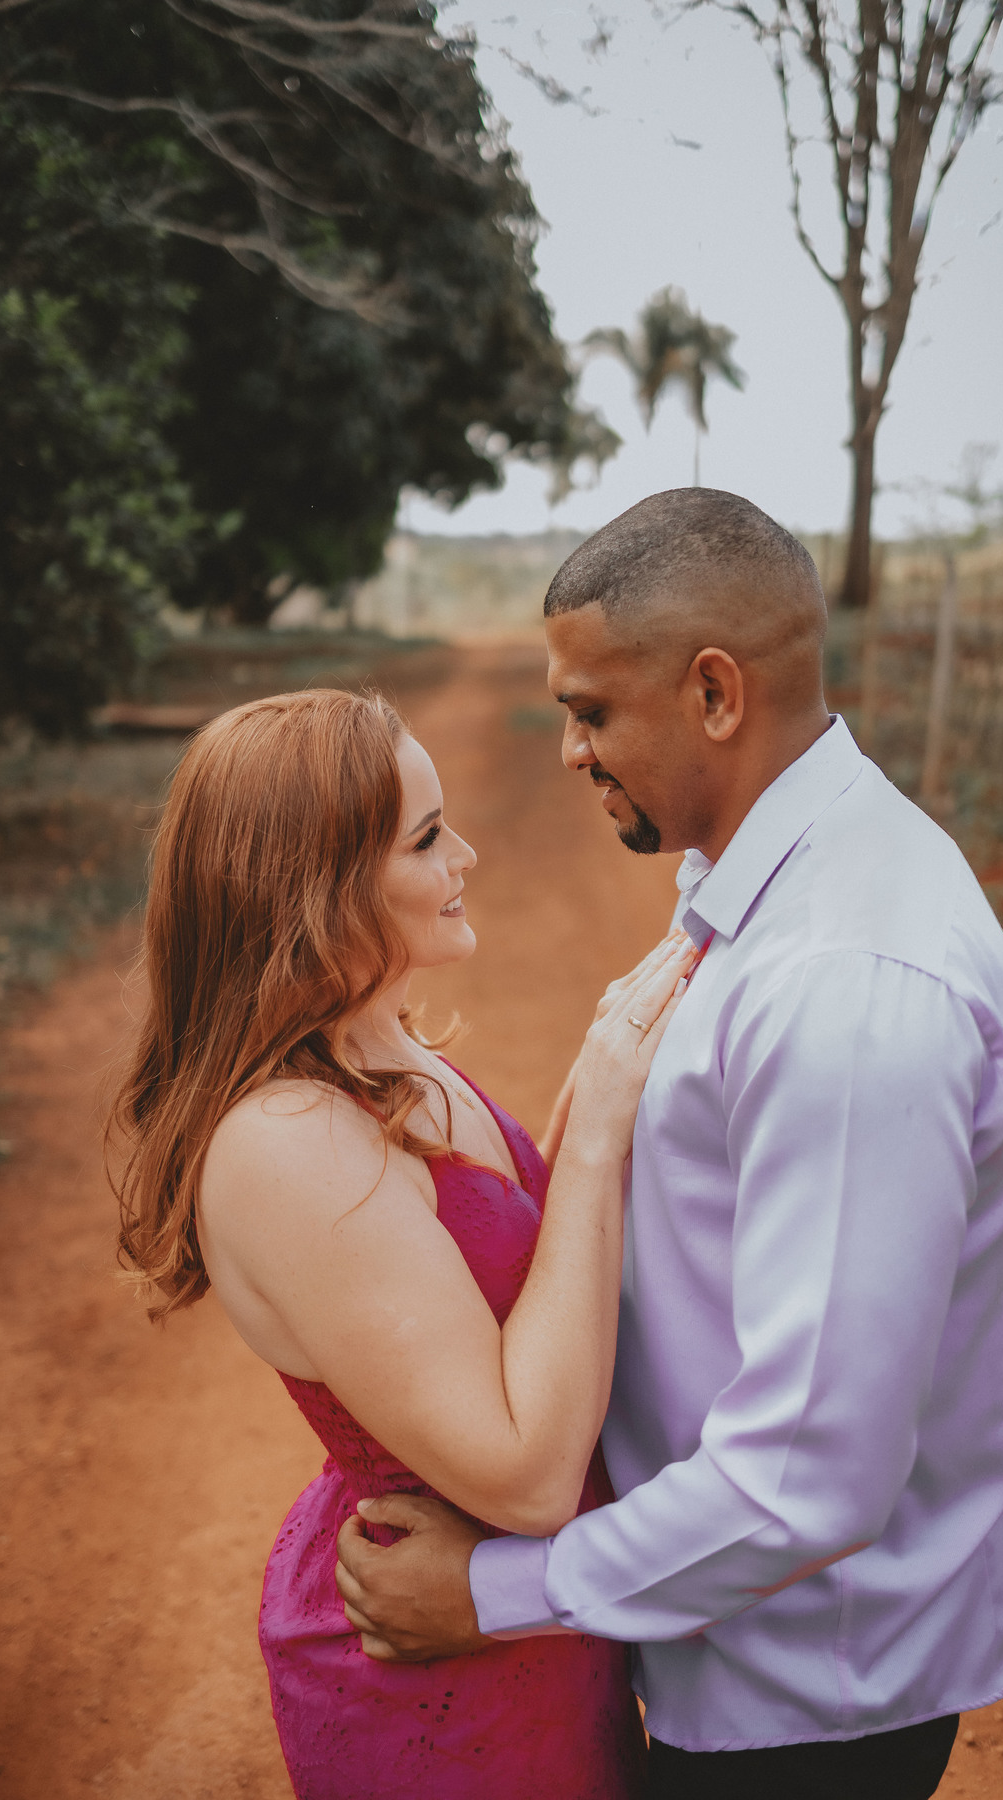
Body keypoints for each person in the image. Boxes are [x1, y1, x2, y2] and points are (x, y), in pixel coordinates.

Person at [335, 489, 1003, 1800]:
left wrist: (493, 1591)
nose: (569, 752)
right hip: (751, 1645)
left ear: (715, 694)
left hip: (807, 1704)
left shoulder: (846, 989)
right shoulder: (774, 877)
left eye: (592, 712)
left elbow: (806, 1480)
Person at [111, 685, 699, 1799]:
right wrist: (595, 1139)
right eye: (427, 839)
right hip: (436, 1684)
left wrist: (606, 1080)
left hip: (521, 1627)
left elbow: (518, 1263)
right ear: (318, 890)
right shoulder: (287, 1140)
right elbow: (526, 1478)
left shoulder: (378, 1041)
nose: (465, 854)